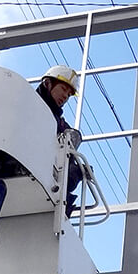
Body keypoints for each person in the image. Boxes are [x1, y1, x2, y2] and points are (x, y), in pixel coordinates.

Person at [36, 65, 86, 216]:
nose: (65, 96)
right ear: (48, 83)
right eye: (64, 89)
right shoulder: (30, 105)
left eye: (69, 94)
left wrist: (77, 172)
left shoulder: (62, 126)